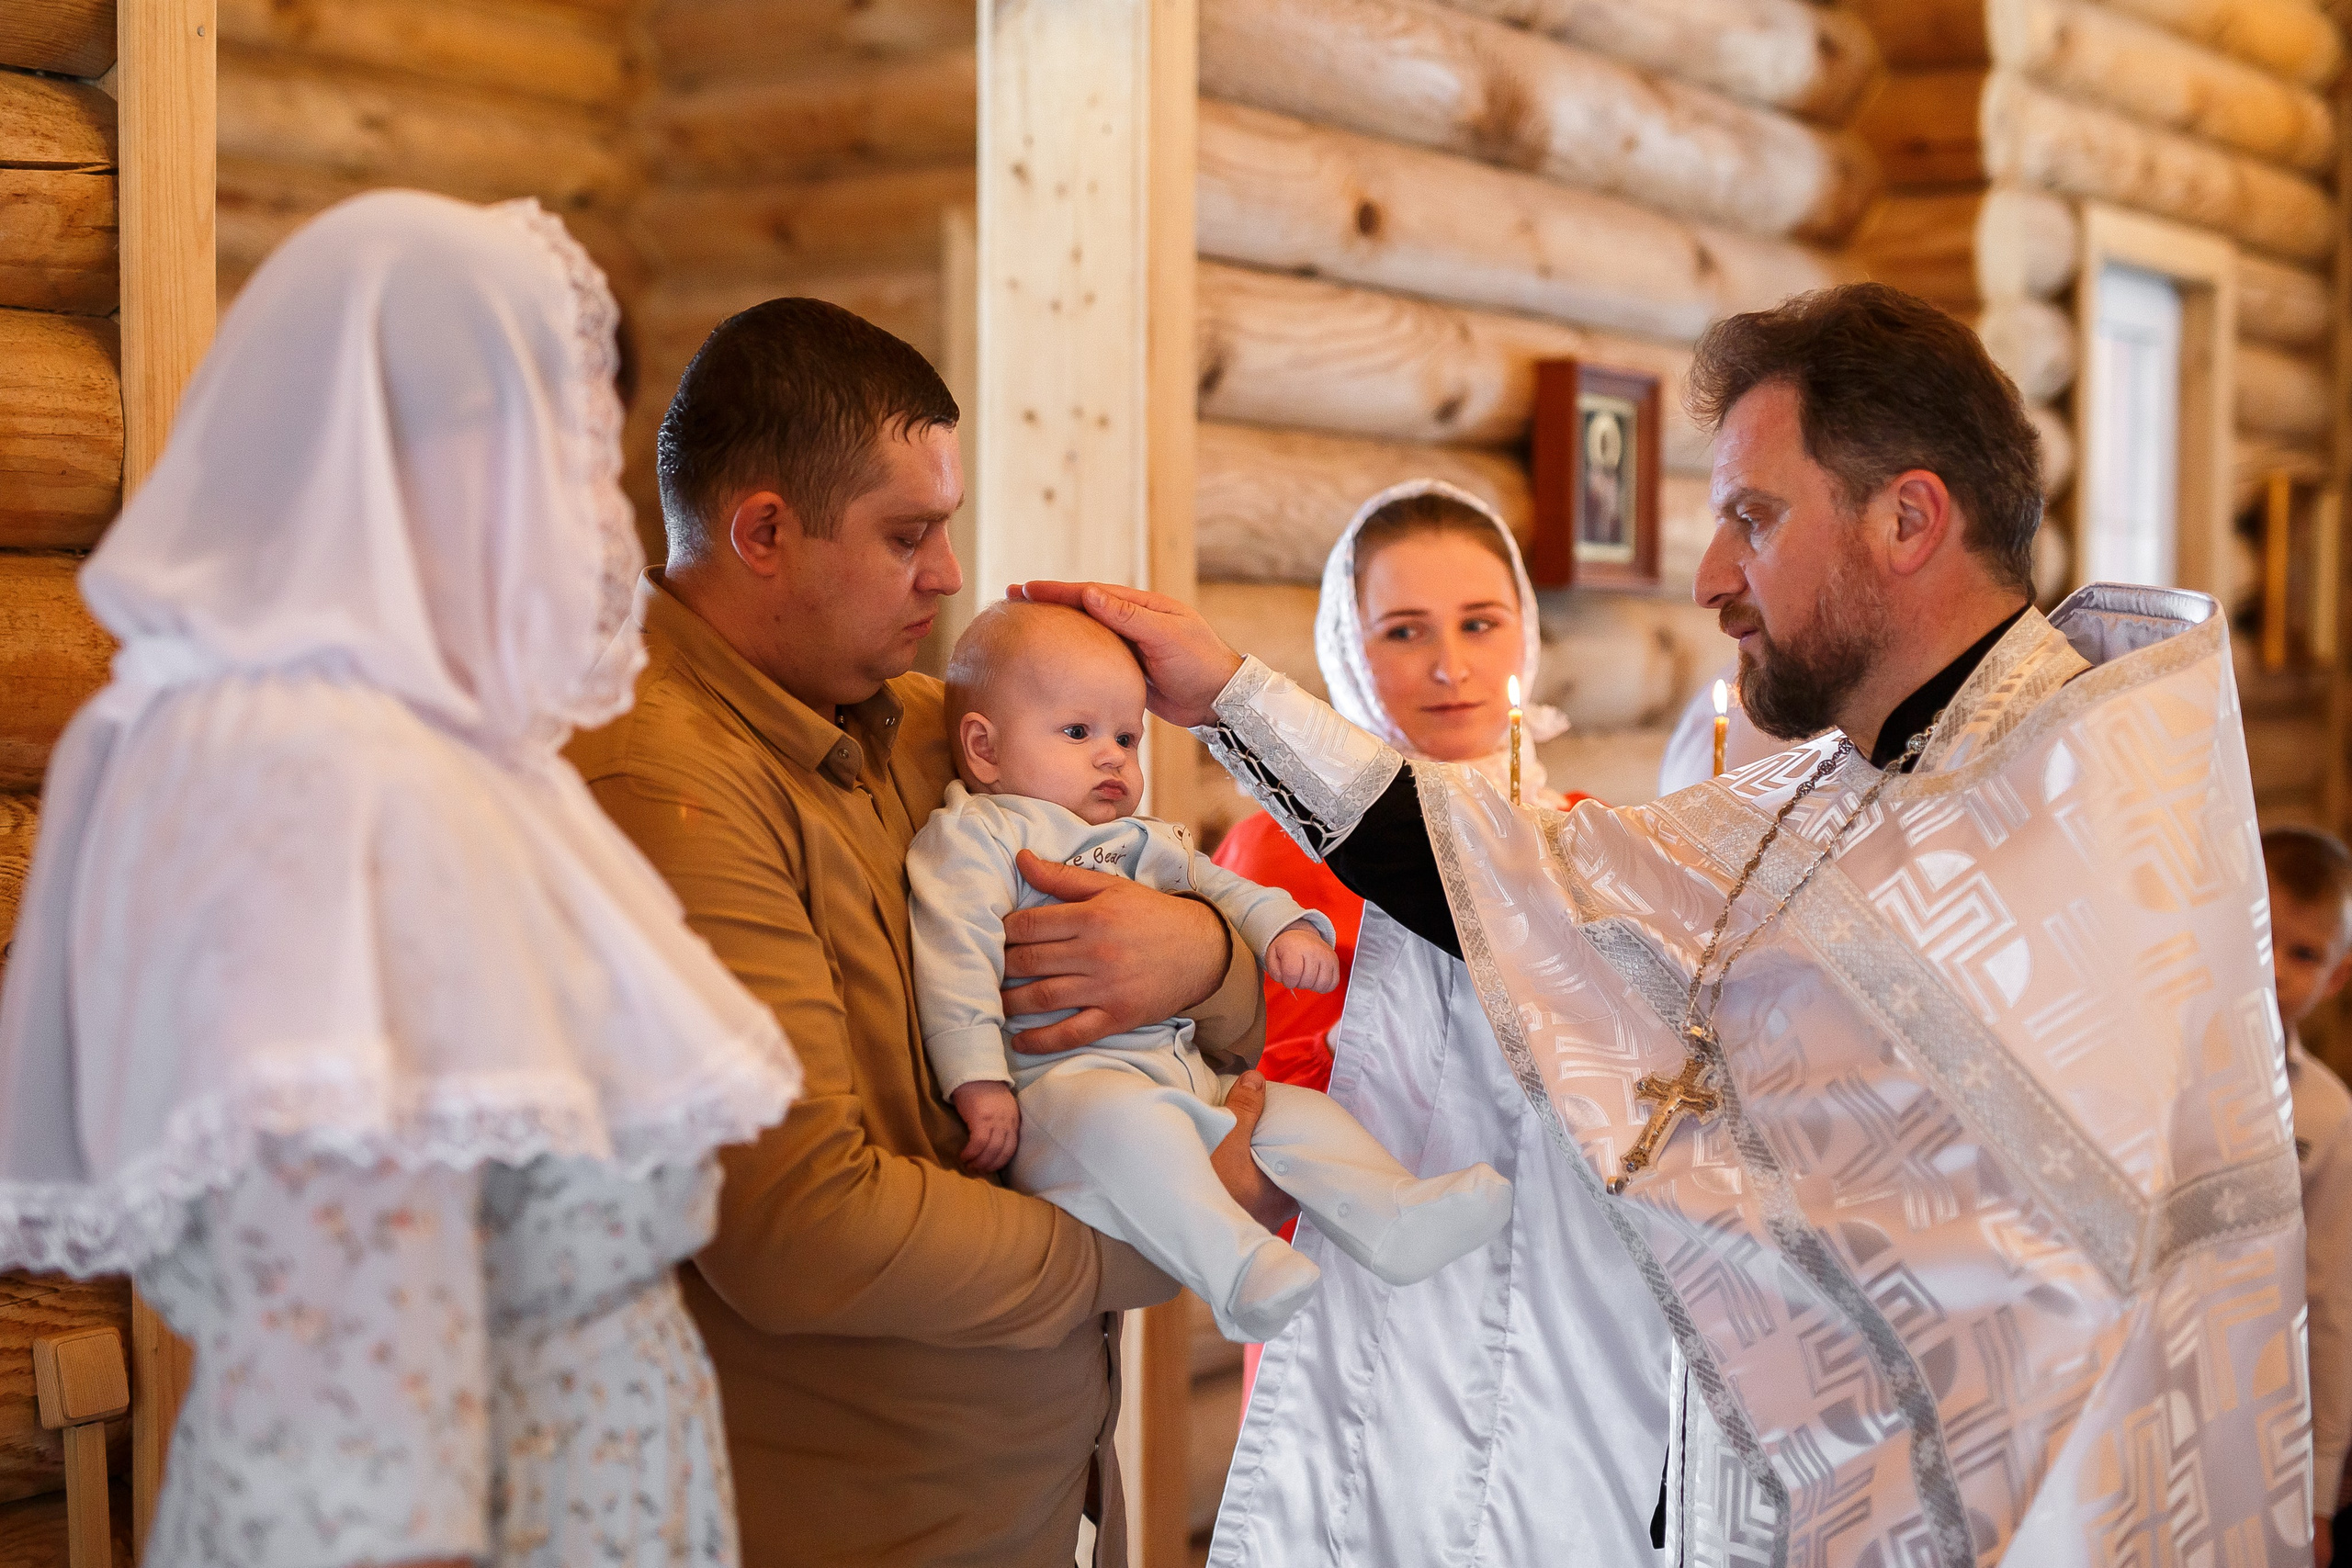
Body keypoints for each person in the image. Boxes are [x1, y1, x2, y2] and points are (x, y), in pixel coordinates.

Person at [1027, 281, 2311, 1562]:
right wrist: (1229, 698)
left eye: (1753, 518)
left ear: (1909, 517)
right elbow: (1540, 894)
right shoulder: (1877, 781)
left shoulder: (2059, 807)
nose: (1709, 579)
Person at [0, 191, 803, 1567]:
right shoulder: (311, 772)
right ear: (400, 458)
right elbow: (350, 1380)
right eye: (555, 449)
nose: (585, 506)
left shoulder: (443, 753)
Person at [565, 299, 1281, 1568]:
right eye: (908, 534)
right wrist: (1156, 1231)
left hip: (1023, 1496)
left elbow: (1217, 971)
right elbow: (799, 1226)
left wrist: (1198, 954)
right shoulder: (659, 778)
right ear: (764, 532)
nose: (948, 574)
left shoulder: (926, 722)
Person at [1203, 480, 1673, 1564]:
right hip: (1361, 1295)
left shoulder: (1587, 839)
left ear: (1527, 630)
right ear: (1343, 644)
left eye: (1479, 624)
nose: (1450, 665)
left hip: (1560, 1310)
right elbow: (1270, 1095)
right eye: (1403, 632)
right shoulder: (1278, 855)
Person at [908, 600, 1512, 1342]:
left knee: (1298, 1115)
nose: (1112, 756)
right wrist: (979, 1080)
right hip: (1063, 1087)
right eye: (1078, 732)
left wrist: (1282, 925)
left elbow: (1221, 887)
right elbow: (954, 953)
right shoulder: (981, 834)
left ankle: (1393, 1213)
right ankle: (1236, 1274)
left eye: (1127, 737)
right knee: (1136, 1128)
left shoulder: (1140, 837)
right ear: (985, 749)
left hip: (1184, 1071)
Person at [2265, 828, 2352, 1567]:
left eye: (2305, 953)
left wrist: (2318, 1489)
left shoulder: (2329, 1115)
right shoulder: (2149, 1071)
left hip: (2257, 1408)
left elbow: (2330, 1303)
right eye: (2263, 933)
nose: (2275, 969)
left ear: (2337, 975)